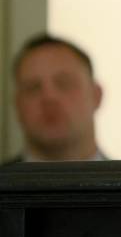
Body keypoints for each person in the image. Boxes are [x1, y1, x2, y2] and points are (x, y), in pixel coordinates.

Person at [7, 33, 107, 163]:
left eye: (64, 83)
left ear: (96, 95)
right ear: (17, 104)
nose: (49, 97)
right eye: (33, 87)